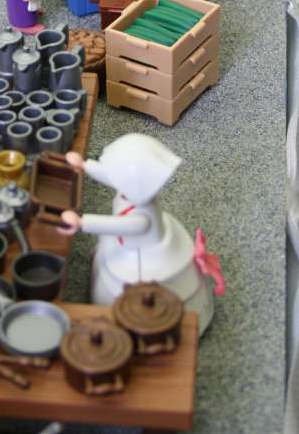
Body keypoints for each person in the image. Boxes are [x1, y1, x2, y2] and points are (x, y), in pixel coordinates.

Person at [57, 134, 224, 335]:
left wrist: (82, 222)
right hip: (124, 246)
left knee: (127, 295)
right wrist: (84, 165)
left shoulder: (142, 219)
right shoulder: (131, 191)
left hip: (140, 259)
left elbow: (114, 226)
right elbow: (112, 176)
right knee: (104, 259)